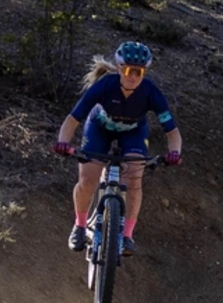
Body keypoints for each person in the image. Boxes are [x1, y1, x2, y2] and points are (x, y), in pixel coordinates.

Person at [52, 41, 183, 257]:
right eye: (130, 71)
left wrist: (174, 153)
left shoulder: (151, 93)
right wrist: (63, 142)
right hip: (98, 129)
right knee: (87, 181)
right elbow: (73, 119)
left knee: (133, 180)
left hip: (133, 133)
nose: (135, 76)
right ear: (120, 69)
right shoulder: (105, 85)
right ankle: (80, 225)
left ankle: (127, 236)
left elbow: (172, 132)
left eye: (140, 72)